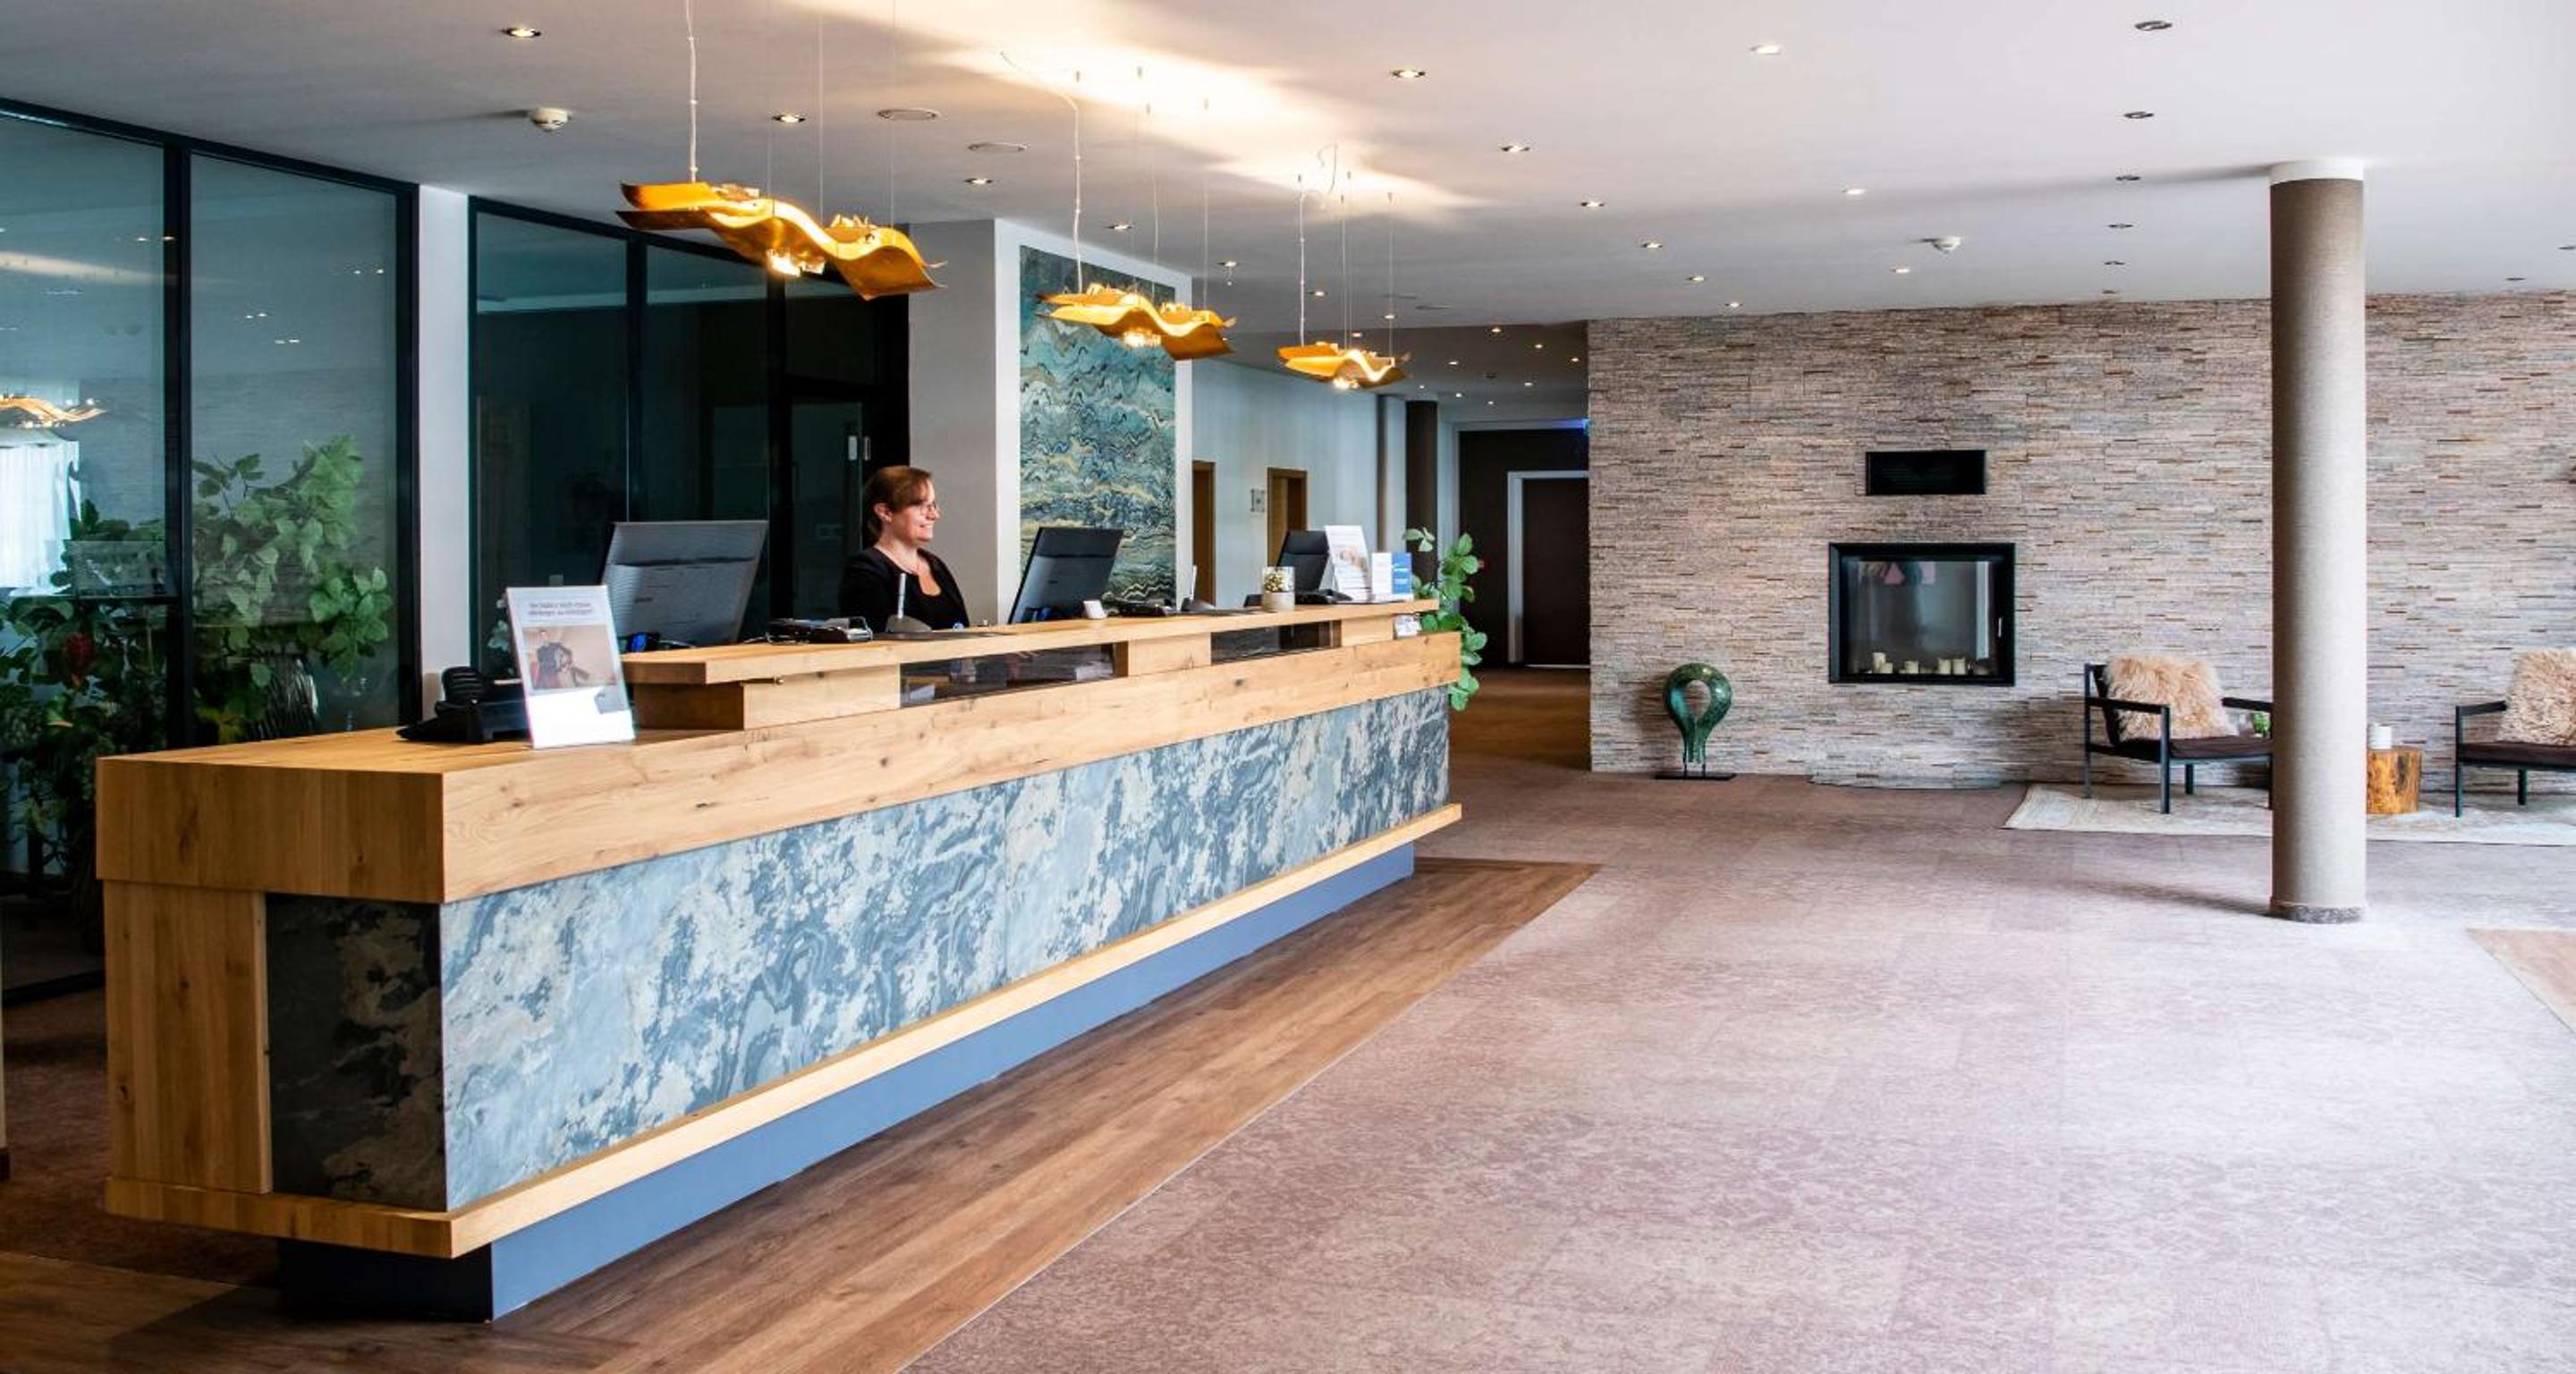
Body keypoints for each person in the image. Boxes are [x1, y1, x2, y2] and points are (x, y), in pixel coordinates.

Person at [841, 465, 970, 632]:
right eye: (921, 506)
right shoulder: (865, 570)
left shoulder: (935, 564)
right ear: (885, 512)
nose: (934, 515)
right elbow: (874, 639)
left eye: (933, 505)